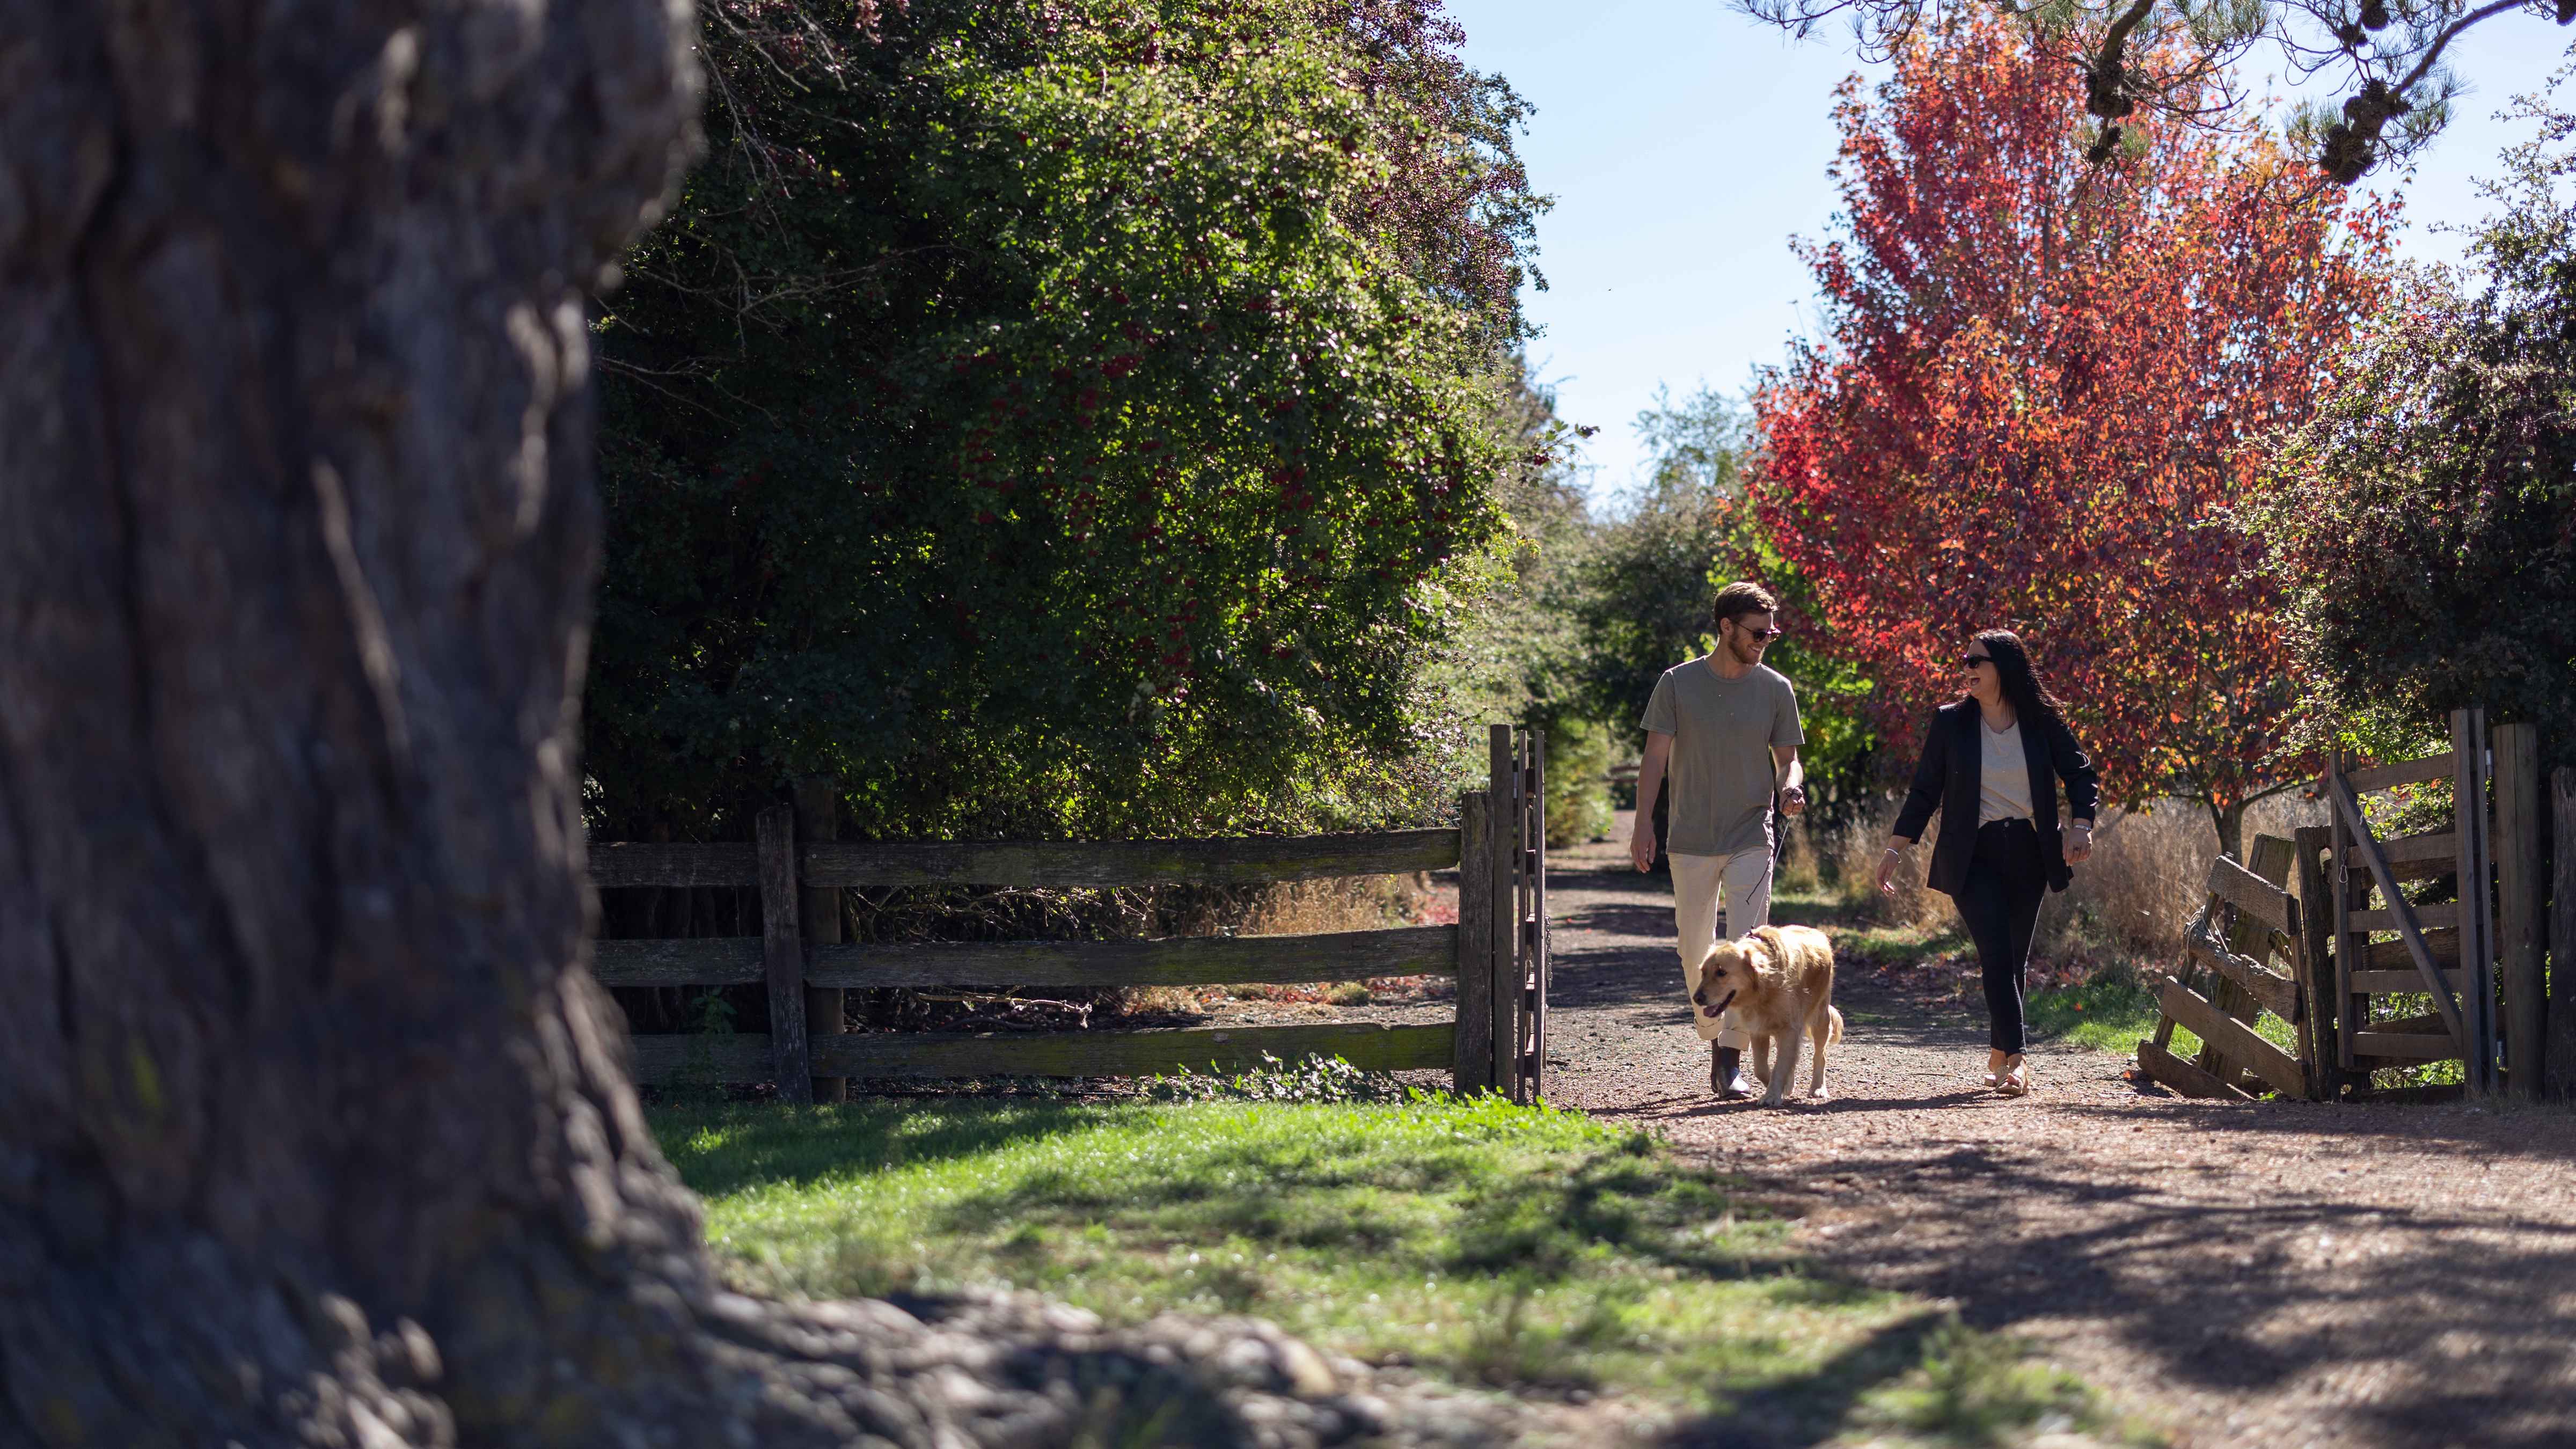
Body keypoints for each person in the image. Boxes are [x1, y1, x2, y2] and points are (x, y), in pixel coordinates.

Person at [1877, 630, 2099, 1097]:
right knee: (1996, 953)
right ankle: (2020, 1060)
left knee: (2012, 957)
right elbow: (1924, 792)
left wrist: (2082, 825)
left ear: (2005, 667)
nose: (1967, 668)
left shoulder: (2041, 721)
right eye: (1965, 660)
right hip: (1971, 855)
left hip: (2030, 851)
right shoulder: (1951, 723)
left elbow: (2080, 773)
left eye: (1977, 660)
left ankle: (1998, 1052)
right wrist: (1896, 849)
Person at [1631, 581, 1806, 1100]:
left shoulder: (1776, 688)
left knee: (1749, 951)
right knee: (1694, 949)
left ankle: (1728, 1063)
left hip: (1752, 832)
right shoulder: (1677, 684)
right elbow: (1655, 759)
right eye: (1756, 632)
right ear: (1726, 627)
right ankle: (1715, 1039)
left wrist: (1791, 784)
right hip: (1689, 837)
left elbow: (1787, 758)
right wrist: (1644, 823)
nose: (1764, 641)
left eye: (1770, 634)